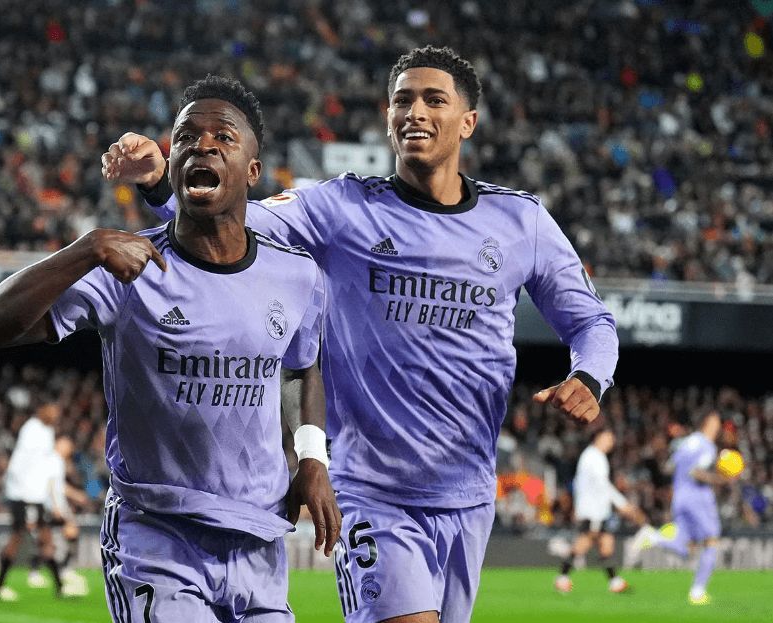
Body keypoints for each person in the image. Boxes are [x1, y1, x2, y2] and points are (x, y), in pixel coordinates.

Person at [103, 46, 618, 623]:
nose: (414, 112)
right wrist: (158, 183)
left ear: (467, 122)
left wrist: (589, 377)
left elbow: (591, 321)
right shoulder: (341, 207)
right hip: (370, 492)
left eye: (434, 100)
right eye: (402, 100)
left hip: (469, 494)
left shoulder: (521, 222)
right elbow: (229, 217)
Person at [0, 75, 340, 623]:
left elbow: (299, 368)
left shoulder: (296, 275)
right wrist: (87, 248)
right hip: (157, 536)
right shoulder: (127, 266)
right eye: (187, 137)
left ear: (253, 173)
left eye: (223, 137)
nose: (203, 145)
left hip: (258, 538)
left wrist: (312, 457)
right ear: (171, 166)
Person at [630, 411, 735, 605]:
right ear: (707, 424)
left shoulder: (688, 441)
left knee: (689, 549)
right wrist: (719, 479)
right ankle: (697, 592)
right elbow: (696, 472)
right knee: (711, 541)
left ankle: (654, 537)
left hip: (680, 497)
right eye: (715, 423)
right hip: (698, 498)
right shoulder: (707, 446)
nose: (717, 426)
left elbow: (670, 466)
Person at [554, 428, 645, 594]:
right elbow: (602, 484)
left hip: (595, 509)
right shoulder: (594, 457)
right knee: (584, 544)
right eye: (608, 438)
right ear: (597, 438)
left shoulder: (591, 456)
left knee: (605, 544)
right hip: (593, 510)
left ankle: (614, 582)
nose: (611, 443)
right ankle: (563, 578)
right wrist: (622, 503)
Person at [0, 402, 64, 601]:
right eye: (52, 411)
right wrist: (24, 493)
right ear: (42, 410)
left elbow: (41, 467)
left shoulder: (46, 431)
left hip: (36, 495)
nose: (55, 416)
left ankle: (60, 586)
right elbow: (19, 463)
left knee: (45, 537)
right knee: (18, 537)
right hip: (23, 494)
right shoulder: (32, 429)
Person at [27, 435, 90, 596]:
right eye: (65, 445)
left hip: (50, 505)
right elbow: (53, 485)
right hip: (52, 506)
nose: (68, 449)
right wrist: (56, 506)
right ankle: (62, 571)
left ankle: (42, 573)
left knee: (49, 541)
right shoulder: (54, 461)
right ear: (58, 445)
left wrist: (75, 496)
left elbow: (58, 485)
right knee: (53, 539)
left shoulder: (55, 461)